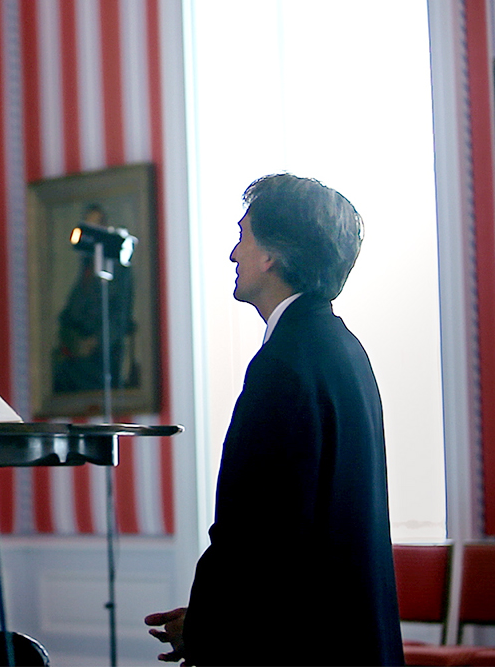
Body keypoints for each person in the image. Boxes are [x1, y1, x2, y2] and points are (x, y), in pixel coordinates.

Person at [144, 174, 402, 666]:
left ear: (270, 257)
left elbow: (256, 533)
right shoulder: (343, 348)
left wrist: (209, 625)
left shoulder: (283, 363)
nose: (233, 254)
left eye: (243, 237)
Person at [52, 204, 137, 393]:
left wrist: (96, 342)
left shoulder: (119, 271)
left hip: (103, 354)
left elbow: (120, 315)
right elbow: (71, 311)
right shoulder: (86, 269)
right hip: (78, 350)